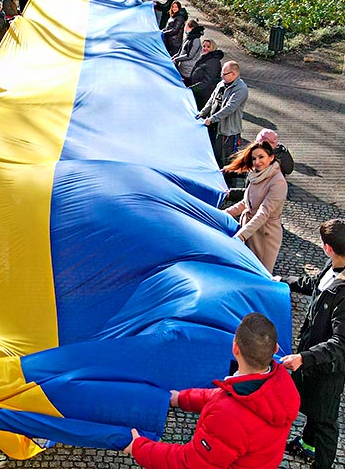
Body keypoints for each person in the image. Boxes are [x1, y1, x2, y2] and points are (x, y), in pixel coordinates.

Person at [124, 313, 300, 469]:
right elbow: (225, 397)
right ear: (275, 349)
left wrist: (139, 447)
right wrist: (182, 398)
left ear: (235, 348)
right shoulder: (280, 382)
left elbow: (190, 462)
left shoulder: (227, 417)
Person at [281, 219, 345, 469]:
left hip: (328, 370)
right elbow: (314, 283)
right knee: (310, 408)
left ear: (327, 247)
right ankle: (307, 445)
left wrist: (303, 358)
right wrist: (283, 280)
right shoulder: (334, 265)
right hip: (310, 358)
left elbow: (340, 344)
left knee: (325, 422)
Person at [222, 141, 287, 273]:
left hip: (264, 237)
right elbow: (246, 203)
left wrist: (241, 236)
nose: (257, 162)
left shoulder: (278, 182)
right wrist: (223, 214)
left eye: (261, 157)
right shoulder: (255, 175)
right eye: (254, 158)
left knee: (259, 275)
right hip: (249, 231)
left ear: (271, 157)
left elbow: (264, 212)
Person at [197, 61, 249, 168]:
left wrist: (212, 119)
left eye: (225, 74)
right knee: (212, 154)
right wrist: (202, 113)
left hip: (227, 131)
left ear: (234, 74)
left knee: (224, 159)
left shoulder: (241, 89)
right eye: (222, 73)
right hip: (214, 126)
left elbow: (229, 108)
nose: (222, 76)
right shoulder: (221, 84)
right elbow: (211, 100)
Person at [227, 128, 294, 203]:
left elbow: (253, 194)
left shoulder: (267, 165)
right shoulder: (279, 154)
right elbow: (250, 170)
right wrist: (229, 171)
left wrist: (229, 194)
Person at [184, 38, 224, 110]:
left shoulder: (213, 62)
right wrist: (187, 81)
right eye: (204, 46)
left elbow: (207, 82)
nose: (205, 48)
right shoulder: (205, 58)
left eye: (208, 47)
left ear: (213, 48)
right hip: (198, 92)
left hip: (203, 96)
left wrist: (192, 88)